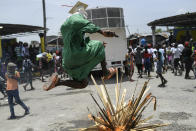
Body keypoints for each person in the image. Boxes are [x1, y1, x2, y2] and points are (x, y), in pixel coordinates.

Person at [43, 1, 118, 91]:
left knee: (83, 83)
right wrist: (101, 32)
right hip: (76, 56)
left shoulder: (64, 27)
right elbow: (85, 24)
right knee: (99, 45)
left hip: (67, 62)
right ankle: (105, 72)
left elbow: (80, 42)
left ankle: (59, 82)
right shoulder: (75, 19)